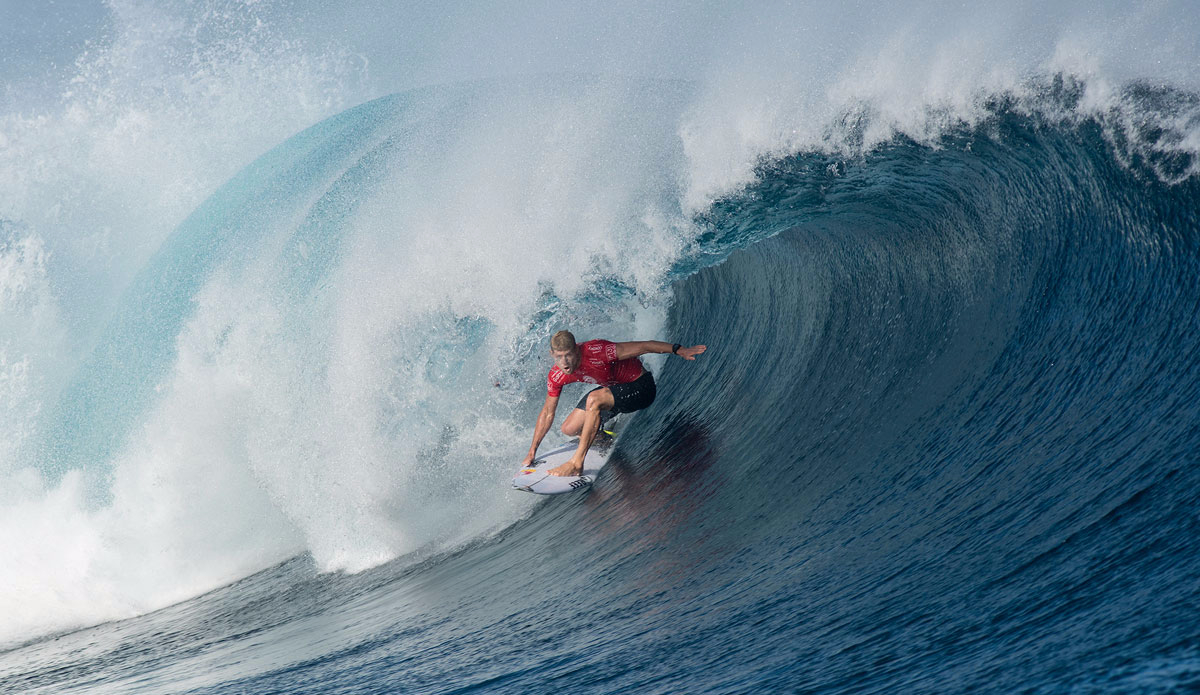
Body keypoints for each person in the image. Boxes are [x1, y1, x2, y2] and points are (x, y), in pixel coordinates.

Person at [520, 330, 707, 477]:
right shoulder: (556, 375)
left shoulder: (597, 351)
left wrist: (679, 349)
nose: (564, 362)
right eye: (558, 357)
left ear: (576, 350)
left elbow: (644, 346)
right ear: (551, 354)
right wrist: (532, 451)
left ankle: (576, 463)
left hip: (641, 389)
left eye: (568, 355)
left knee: (594, 400)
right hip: (614, 394)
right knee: (569, 429)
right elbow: (547, 413)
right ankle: (604, 438)